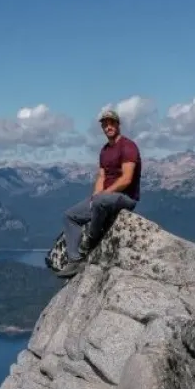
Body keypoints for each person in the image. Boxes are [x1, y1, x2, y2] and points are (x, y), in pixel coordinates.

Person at [56, 109, 142, 277]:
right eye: (105, 124)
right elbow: (102, 176)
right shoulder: (105, 150)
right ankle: (75, 261)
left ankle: (91, 239)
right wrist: (95, 195)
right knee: (69, 216)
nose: (108, 126)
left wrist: (103, 195)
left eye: (111, 123)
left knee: (100, 201)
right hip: (105, 197)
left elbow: (126, 179)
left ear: (118, 124)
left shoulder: (128, 146)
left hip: (125, 197)